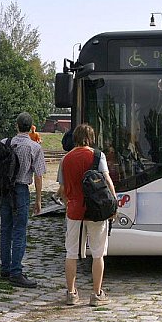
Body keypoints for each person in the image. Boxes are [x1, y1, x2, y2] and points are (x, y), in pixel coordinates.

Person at [57, 123, 117, 306]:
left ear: (75, 138)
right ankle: (97, 294)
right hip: (96, 211)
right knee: (98, 254)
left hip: (74, 211)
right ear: (91, 138)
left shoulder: (65, 159)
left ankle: (71, 293)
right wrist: (113, 205)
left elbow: (62, 189)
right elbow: (107, 180)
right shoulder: (98, 156)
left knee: (72, 253)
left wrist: (68, 203)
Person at [0, 112, 46, 288]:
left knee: (5, 230)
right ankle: (16, 271)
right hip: (21, 190)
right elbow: (39, 175)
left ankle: (5, 268)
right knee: (19, 230)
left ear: (17, 125)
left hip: (5, 191)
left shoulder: (5, 142)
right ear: (31, 126)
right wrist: (38, 199)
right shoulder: (34, 147)